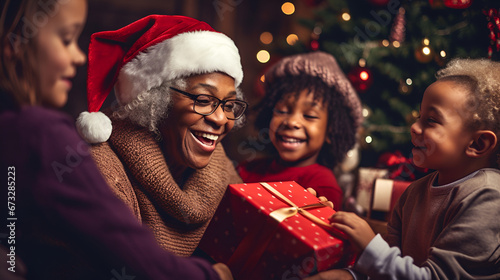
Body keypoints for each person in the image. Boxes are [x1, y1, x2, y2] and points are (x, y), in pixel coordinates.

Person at [0, 1, 233, 279]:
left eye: (230, 105)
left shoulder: (229, 176)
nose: (79, 57)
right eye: (66, 40)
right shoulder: (43, 136)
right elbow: (134, 256)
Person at [306, 58, 500, 280]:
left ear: (478, 144)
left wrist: (370, 245)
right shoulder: (414, 193)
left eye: (431, 120)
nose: (415, 127)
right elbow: (389, 270)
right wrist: (348, 275)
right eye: (419, 117)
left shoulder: (488, 196)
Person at [75, 15, 246, 257]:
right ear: (155, 101)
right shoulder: (100, 171)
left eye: (229, 105)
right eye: (204, 100)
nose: (220, 119)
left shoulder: (224, 172)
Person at [237, 51, 363, 211]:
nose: (292, 122)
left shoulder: (323, 186)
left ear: (331, 131)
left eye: (309, 115)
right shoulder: (247, 169)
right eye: (282, 111)